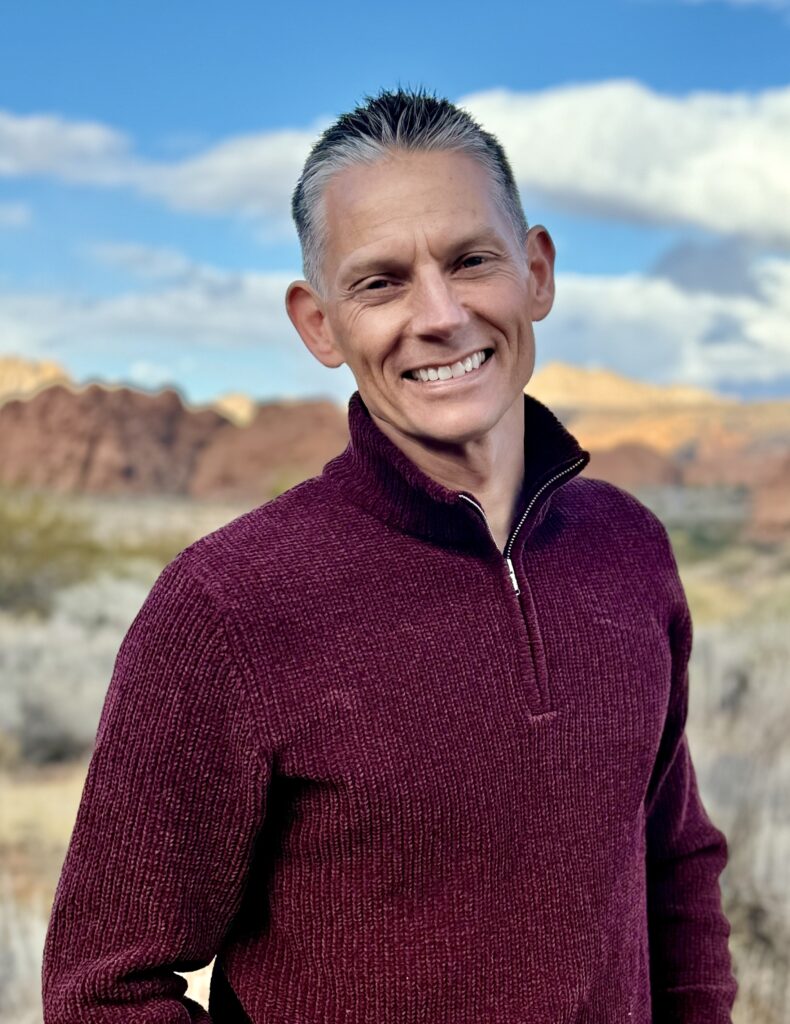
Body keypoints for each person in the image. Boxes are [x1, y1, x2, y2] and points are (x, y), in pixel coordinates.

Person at [41, 88, 738, 1023]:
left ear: (536, 271)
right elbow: (104, 990)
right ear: (319, 323)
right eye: (381, 282)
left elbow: (673, 861)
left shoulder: (629, 549)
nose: (441, 315)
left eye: (471, 260)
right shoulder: (229, 606)